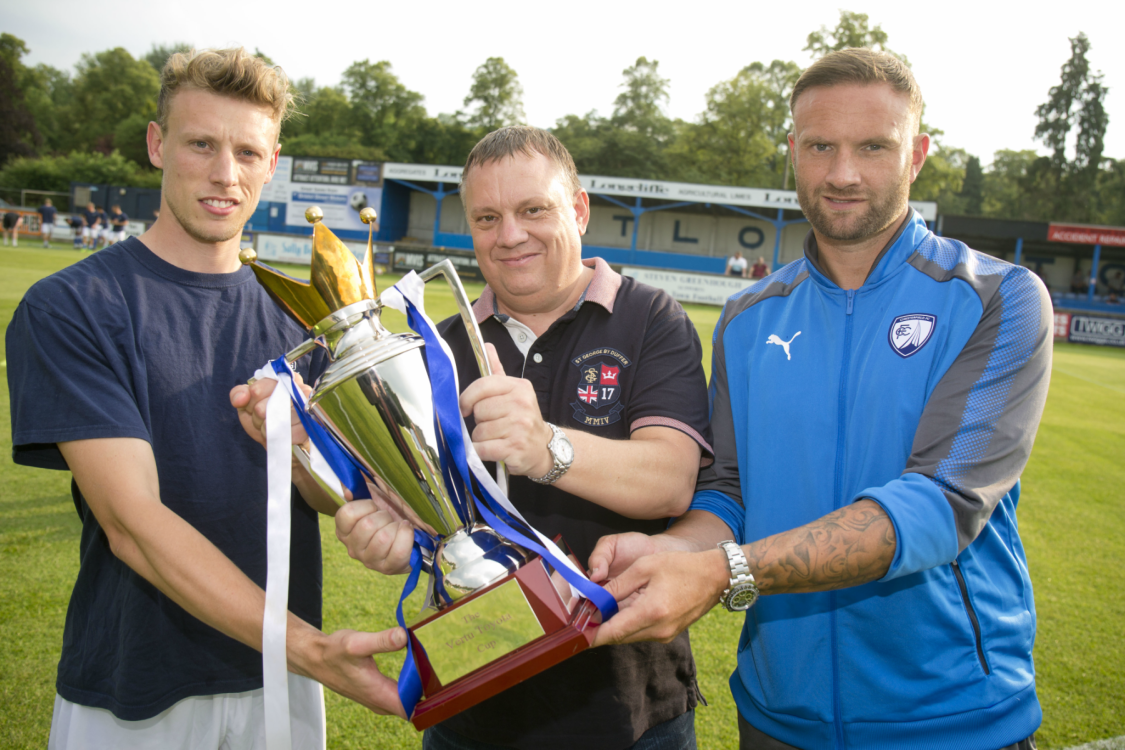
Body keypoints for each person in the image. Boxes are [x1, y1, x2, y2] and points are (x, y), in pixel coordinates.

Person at [588, 48, 1051, 750]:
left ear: (917, 154)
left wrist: (722, 572)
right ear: (791, 152)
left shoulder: (997, 296)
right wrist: (666, 553)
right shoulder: (747, 319)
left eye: (873, 147)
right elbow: (728, 494)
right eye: (819, 147)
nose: (842, 173)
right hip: (778, 717)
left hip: (950, 719)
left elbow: (940, 504)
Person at [241, 126, 713, 749]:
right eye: (487, 217)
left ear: (579, 208)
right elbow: (392, 502)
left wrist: (547, 447)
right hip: (473, 702)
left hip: (628, 705)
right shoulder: (427, 352)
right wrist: (325, 474)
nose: (509, 235)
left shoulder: (651, 318)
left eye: (533, 210)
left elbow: (671, 482)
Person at [6, 47, 406, 750]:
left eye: (248, 152)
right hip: (136, 687)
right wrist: (308, 648)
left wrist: (304, 453)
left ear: (272, 161)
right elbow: (132, 525)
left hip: (278, 687)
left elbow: (323, 498)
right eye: (202, 144)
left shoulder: (301, 317)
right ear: (158, 145)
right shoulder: (73, 306)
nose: (226, 175)